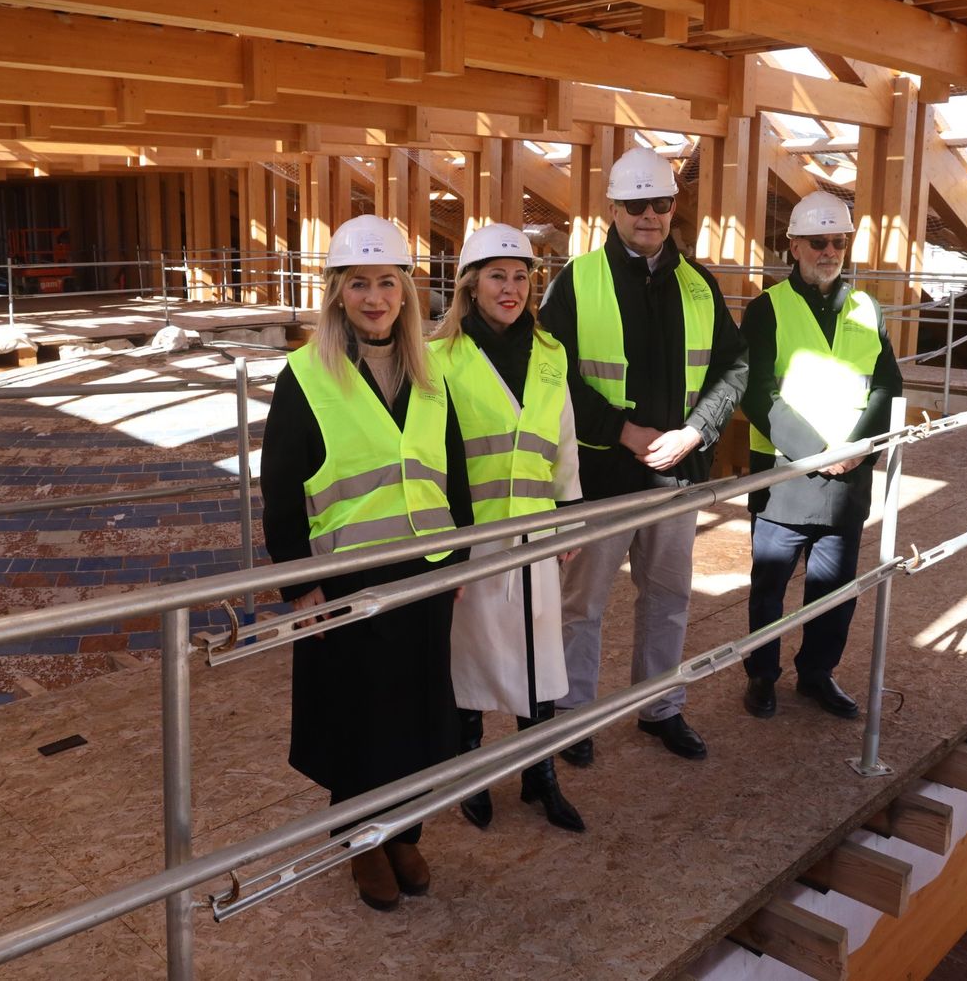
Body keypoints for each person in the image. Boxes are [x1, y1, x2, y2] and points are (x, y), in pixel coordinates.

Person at [260, 214, 472, 913]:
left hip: (425, 567)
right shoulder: (305, 376)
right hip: (349, 575)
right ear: (337, 293)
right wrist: (299, 587)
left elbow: (453, 471)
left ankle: (405, 831)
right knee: (360, 716)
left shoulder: (429, 371)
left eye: (387, 282)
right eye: (359, 284)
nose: (375, 298)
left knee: (419, 711)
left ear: (406, 291)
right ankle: (360, 840)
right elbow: (280, 490)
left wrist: (460, 559)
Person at [539, 147, 747, 766]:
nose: (648, 215)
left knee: (668, 597)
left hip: (676, 475)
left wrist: (697, 433)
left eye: (659, 202)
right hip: (602, 477)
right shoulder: (576, 282)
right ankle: (572, 717)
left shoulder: (698, 285)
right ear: (613, 209)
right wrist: (622, 431)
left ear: (673, 206)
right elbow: (552, 377)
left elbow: (732, 368)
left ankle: (661, 707)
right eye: (635, 205)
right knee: (581, 606)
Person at [430, 223, 585, 834]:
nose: (511, 288)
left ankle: (539, 774)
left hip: (536, 533)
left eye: (521, 277)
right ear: (470, 284)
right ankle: (471, 771)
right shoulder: (439, 358)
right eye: (497, 276)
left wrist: (569, 516)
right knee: (469, 658)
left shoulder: (550, 354)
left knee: (538, 655)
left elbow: (564, 441)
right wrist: (442, 546)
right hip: (471, 536)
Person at [739, 191, 903, 720]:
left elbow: (887, 385)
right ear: (793, 246)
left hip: (847, 478)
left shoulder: (866, 308)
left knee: (834, 590)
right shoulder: (767, 309)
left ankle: (816, 673)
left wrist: (859, 448)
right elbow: (756, 393)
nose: (829, 251)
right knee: (769, 588)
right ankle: (762, 675)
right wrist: (816, 453)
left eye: (838, 241)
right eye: (817, 242)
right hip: (785, 478)